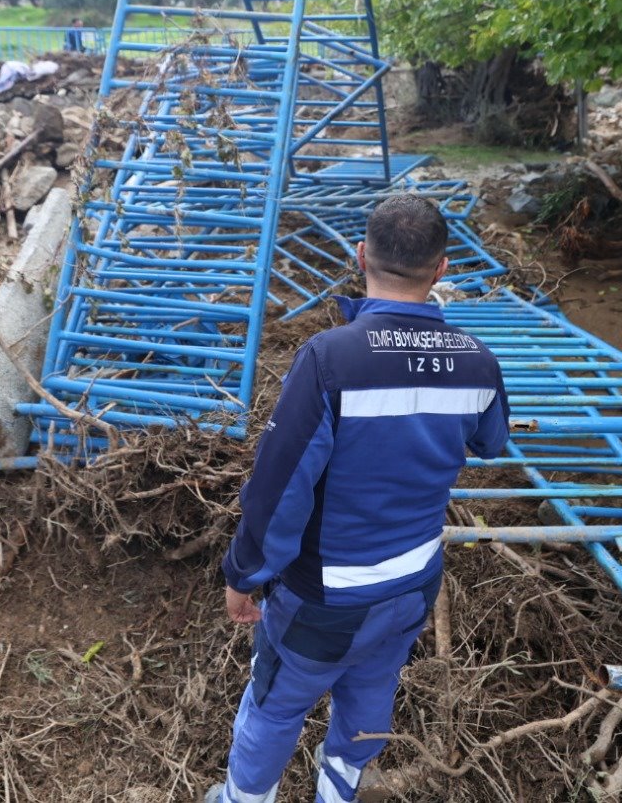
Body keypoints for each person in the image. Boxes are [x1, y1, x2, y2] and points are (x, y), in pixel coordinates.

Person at [206, 194, 511, 803]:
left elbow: (279, 487)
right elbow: (491, 440)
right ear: (442, 269)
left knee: (276, 702)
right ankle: (337, 793)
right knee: (372, 692)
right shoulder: (477, 362)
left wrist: (244, 574)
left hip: (325, 596)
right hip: (413, 583)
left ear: (360, 256)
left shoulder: (328, 360)